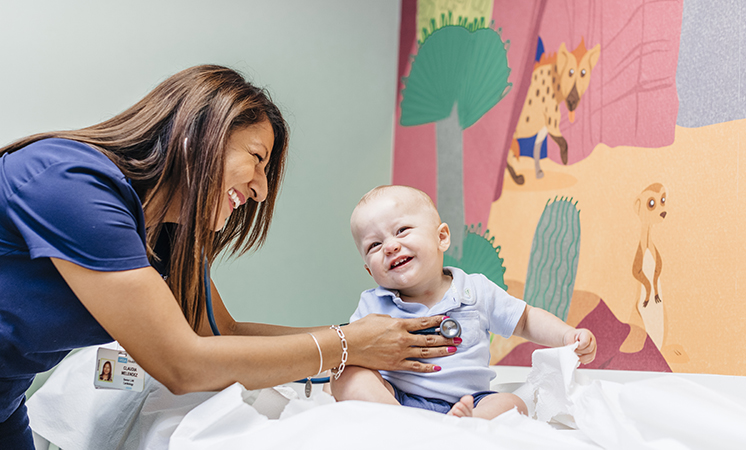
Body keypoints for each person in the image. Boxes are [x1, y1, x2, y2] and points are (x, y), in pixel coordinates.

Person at [0, 65, 456, 449]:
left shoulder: (164, 237)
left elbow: (222, 331)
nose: (259, 188)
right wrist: (347, 345)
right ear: (198, 135)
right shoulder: (69, 182)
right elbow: (183, 364)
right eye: (257, 158)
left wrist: (364, 339)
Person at [331, 185, 597, 419]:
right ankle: (400, 423)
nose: (390, 246)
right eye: (374, 246)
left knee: (513, 404)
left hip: (471, 401)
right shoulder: (372, 305)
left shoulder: (476, 290)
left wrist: (566, 335)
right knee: (346, 377)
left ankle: (466, 426)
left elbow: (525, 319)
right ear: (369, 270)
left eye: (401, 230)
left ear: (441, 237)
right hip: (397, 399)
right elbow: (350, 350)